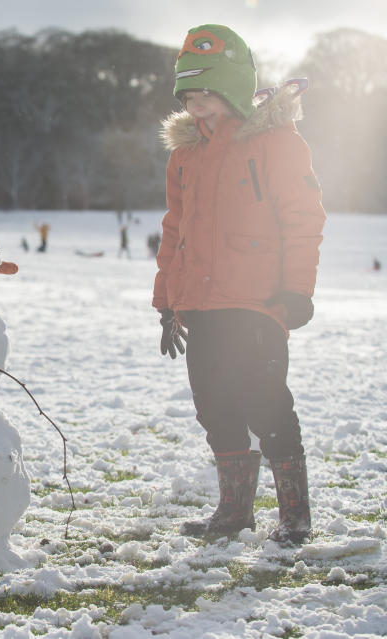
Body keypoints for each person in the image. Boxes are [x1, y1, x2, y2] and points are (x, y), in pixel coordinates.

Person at [153, 24, 325, 544]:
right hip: (200, 304)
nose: (196, 104)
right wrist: (167, 302)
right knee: (214, 403)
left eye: (205, 92)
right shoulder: (185, 155)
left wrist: (298, 291)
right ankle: (235, 511)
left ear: (231, 88)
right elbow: (174, 229)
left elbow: (303, 217)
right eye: (188, 94)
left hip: (257, 301)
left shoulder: (275, 143)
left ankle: (295, 514)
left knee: (264, 398)